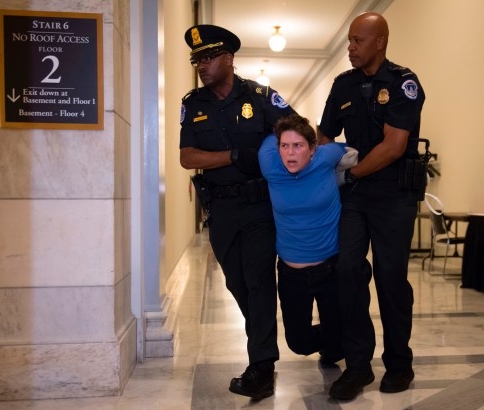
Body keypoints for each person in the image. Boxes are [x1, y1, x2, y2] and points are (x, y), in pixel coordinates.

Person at [179, 24, 297, 400]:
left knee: (260, 281)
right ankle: (264, 344)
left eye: (209, 57)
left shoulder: (261, 97)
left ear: (229, 59)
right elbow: (187, 157)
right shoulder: (193, 104)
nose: (202, 64)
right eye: (197, 59)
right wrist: (231, 156)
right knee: (238, 284)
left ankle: (262, 366)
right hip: (221, 209)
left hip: (259, 206)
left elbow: (296, 133)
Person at [318, 12, 426, 400]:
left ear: (379, 42)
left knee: (390, 277)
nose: (350, 47)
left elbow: (394, 145)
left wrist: (351, 172)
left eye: (357, 41)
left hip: (393, 195)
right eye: (348, 40)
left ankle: (399, 363)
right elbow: (324, 132)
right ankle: (358, 366)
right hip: (354, 196)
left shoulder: (403, 83)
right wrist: (327, 160)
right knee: (347, 269)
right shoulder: (342, 85)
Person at [258, 114, 357, 367]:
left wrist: (344, 177)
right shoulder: (270, 164)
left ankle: (335, 339)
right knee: (298, 344)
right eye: (285, 146)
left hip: (329, 269)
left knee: (337, 350)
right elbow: (270, 135)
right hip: (292, 274)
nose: (290, 153)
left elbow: (349, 150)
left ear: (312, 149)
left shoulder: (325, 157)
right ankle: (333, 334)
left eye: (298, 146)